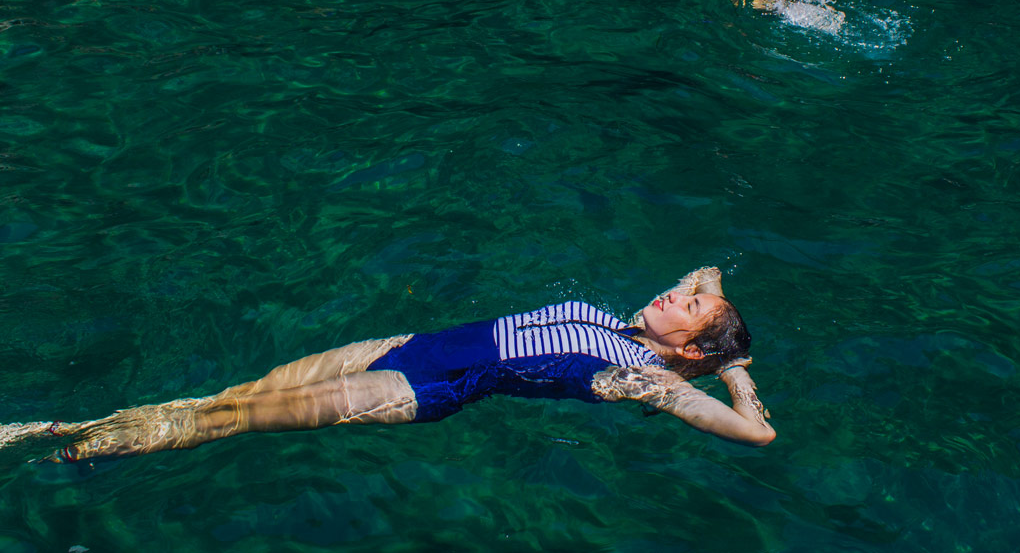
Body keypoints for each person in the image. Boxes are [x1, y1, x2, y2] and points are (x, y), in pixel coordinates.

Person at [7, 267, 773, 461]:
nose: (678, 293)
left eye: (688, 307)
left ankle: (68, 437)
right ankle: (82, 436)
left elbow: (754, 435)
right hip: (405, 344)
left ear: (692, 348)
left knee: (235, 418)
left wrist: (733, 370)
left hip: (424, 384)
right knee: (238, 392)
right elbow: (706, 271)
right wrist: (715, 322)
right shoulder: (616, 321)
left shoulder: (641, 376)